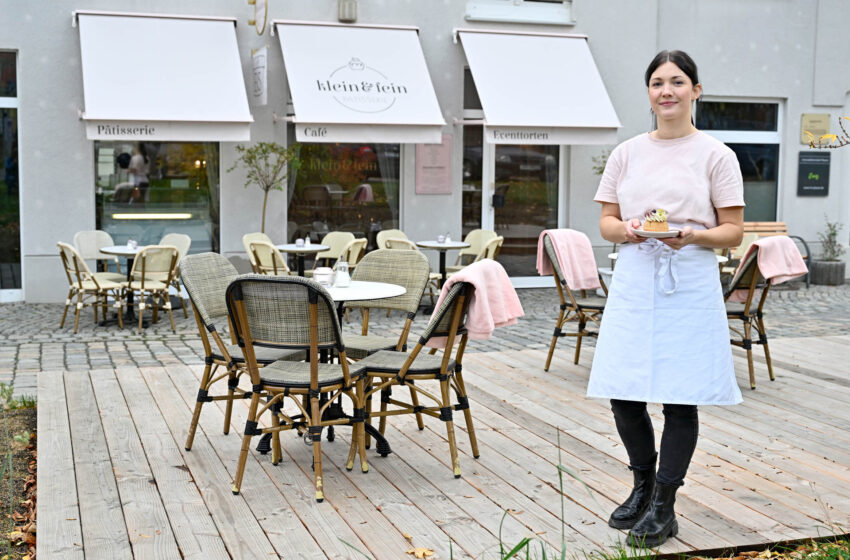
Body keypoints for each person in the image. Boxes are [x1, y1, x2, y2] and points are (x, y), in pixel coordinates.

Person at [588, 50, 745, 547]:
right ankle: (641, 484)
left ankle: (665, 504)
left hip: (690, 278)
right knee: (624, 391)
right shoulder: (626, 153)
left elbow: (734, 232)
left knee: (680, 396)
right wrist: (631, 231)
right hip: (636, 276)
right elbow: (607, 224)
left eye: (678, 82)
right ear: (649, 93)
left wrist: (692, 236)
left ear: (696, 91)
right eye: (657, 82)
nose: (667, 91)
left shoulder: (717, 155)